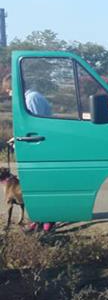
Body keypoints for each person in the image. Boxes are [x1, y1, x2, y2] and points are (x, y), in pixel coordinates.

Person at [1, 74, 55, 232]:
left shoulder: (31, 99)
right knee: (34, 188)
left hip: (39, 150)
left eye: (9, 91)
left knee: (41, 187)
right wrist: (16, 139)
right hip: (36, 149)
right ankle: (38, 219)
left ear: (16, 87)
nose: (9, 94)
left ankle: (48, 220)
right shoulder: (29, 98)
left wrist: (21, 140)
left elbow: (35, 128)